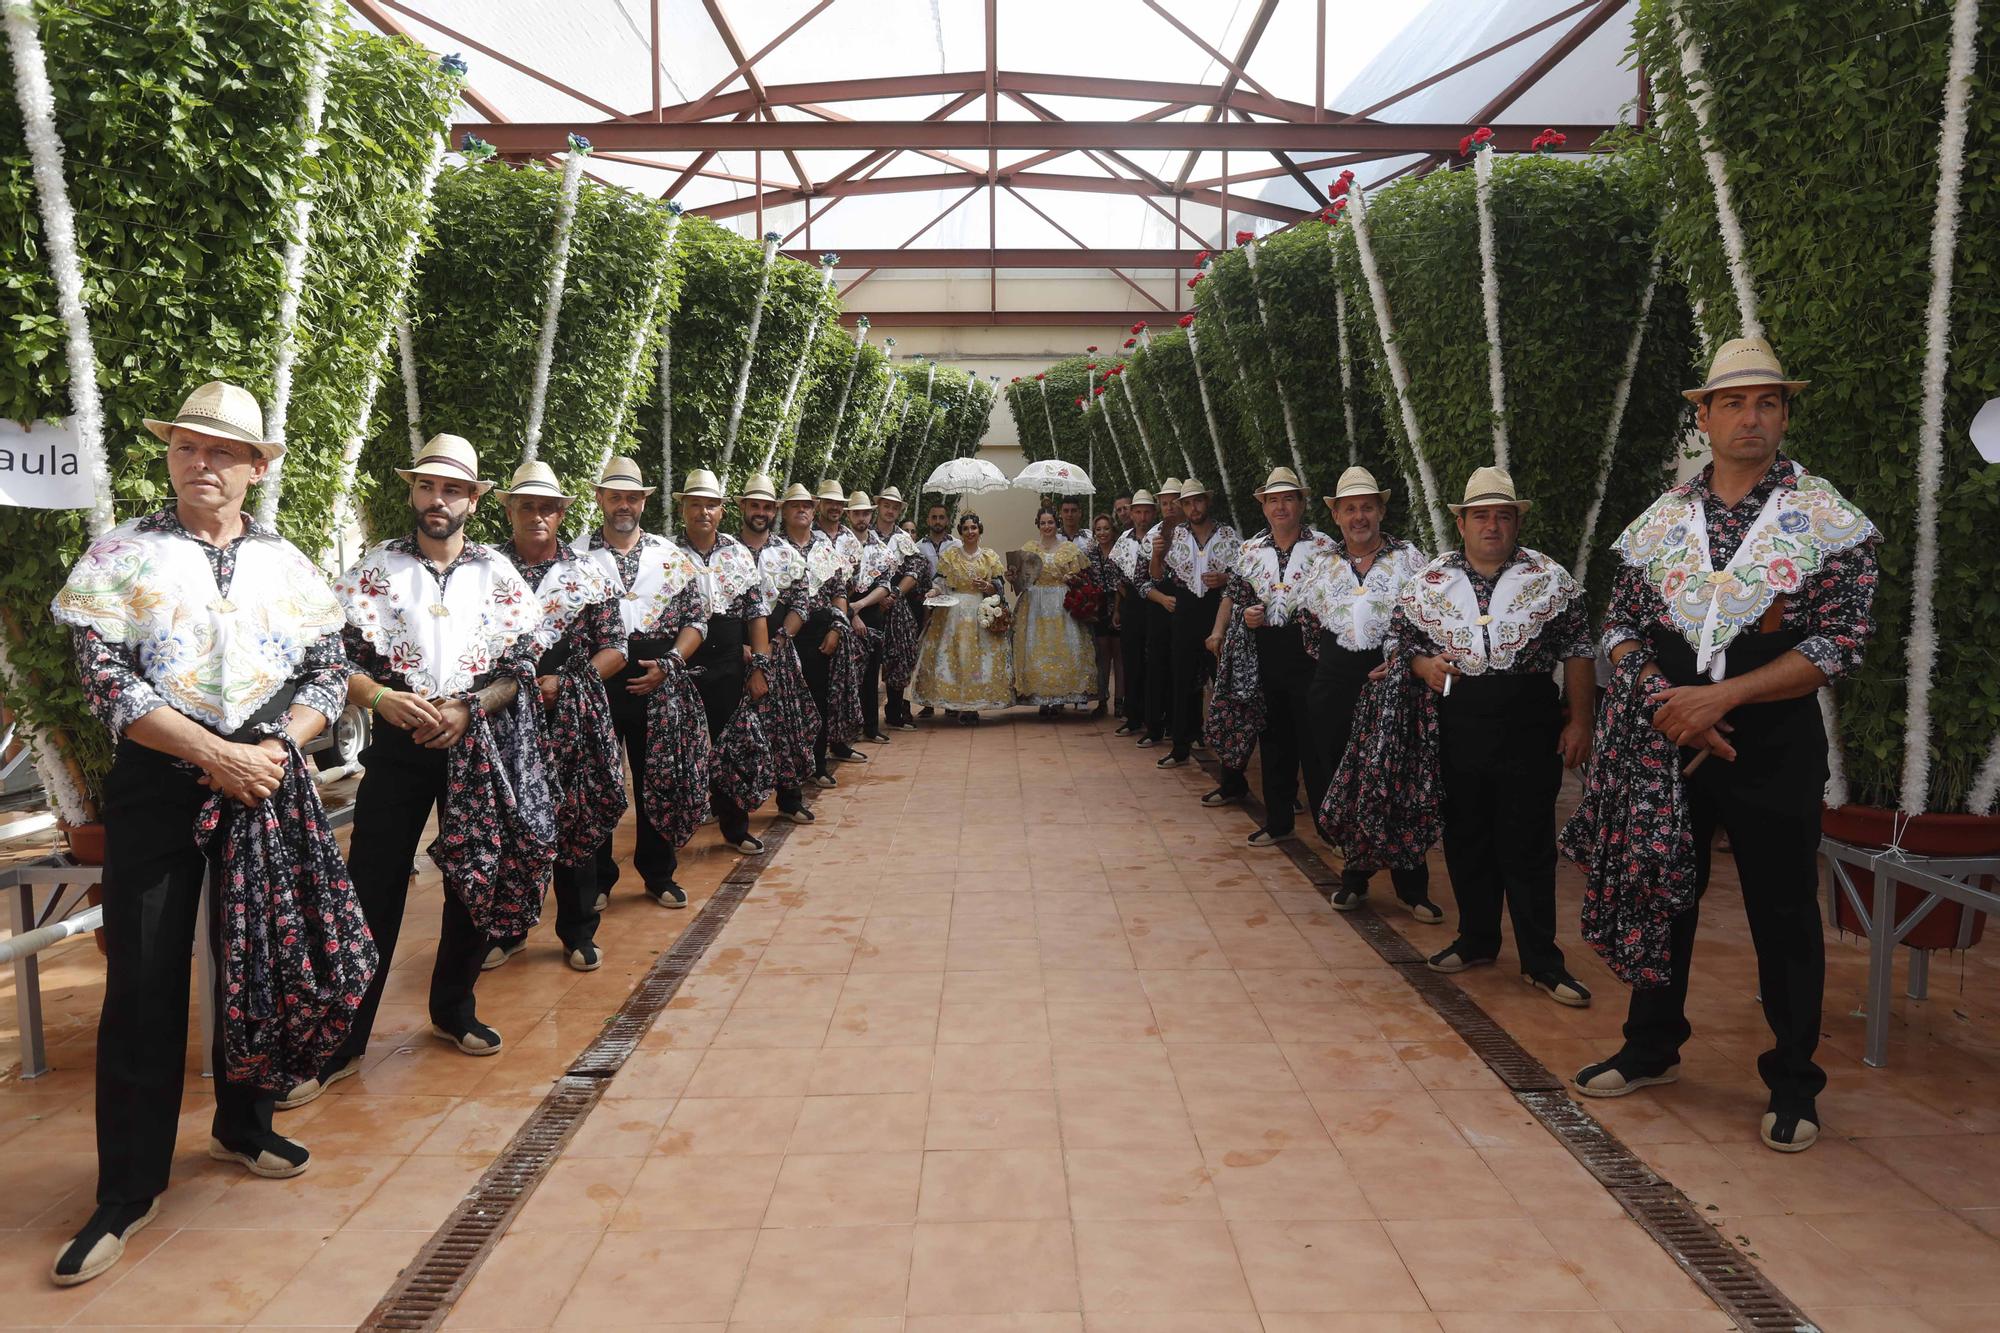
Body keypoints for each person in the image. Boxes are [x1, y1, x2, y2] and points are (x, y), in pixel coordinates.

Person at [47, 382, 367, 1286]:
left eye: (223, 451)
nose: (203, 463)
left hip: (263, 777)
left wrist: (274, 748)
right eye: (189, 447)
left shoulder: (291, 565)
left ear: (259, 467)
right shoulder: (120, 555)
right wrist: (209, 755)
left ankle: (244, 1122)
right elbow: (104, 680)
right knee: (143, 977)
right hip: (159, 783)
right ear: (170, 455)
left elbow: (328, 667)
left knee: (258, 962)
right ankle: (127, 1186)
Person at [1572, 338, 1878, 1154]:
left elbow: (1843, 639)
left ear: (1783, 414)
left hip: (1771, 733)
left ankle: (1792, 1083)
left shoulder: (1826, 517)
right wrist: (1670, 704)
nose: (1753, 417)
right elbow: (1620, 627)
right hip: (1666, 727)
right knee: (1661, 890)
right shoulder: (1663, 518)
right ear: (1702, 416)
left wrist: (1726, 695)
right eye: (1734, 402)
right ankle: (1651, 1046)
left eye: (1768, 402)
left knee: (1782, 909)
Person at [332, 433, 556, 1069]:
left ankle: (454, 1007)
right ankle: (348, 1040)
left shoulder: (496, 572)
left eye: (452, 489)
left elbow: (520, 662)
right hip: (399, 741)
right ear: (412, 491)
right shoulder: (374, 570)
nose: (438, 499)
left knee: (473, 875)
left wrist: (469, 708)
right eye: (428, 486)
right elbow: (330, 657)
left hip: (475, 744)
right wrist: (380, 700)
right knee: (374, 881)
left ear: (474, 500)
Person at [1391, 466, 1595, 1007]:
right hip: (1458, 720)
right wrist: (1422, 665)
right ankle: (1477, 939)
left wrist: (1580, 721)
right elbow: (1402, 639)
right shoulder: (1428, 582)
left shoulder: (1549, 578)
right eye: (1481, 515)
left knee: (1528, 843)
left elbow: (1578, 649)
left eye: (1503, 516)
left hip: (1529, 718)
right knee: (1466, 836)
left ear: (1516, 522)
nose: (1492, 526)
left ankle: (1541, 959)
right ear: (1460, 522)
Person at [490, 461, 628, 972]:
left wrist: (567, 682)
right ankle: (507, 930)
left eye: (548, 507)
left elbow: (616, 648)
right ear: (509, 510)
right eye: (527, 505)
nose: (538, 516)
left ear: (563, 512)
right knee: (509, 822)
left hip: (571, 716)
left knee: (575, 822)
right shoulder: (485, 569)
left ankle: (577, 931)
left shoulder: (589, 573)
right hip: (503, 718)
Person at [1301, 466, 1440, 921]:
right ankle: (1354, 877)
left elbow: (1430, 623)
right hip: (1335, 681)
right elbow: (1309, 625)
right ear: (1336, 516)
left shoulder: (1411, 560)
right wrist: (1331, 666)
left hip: (1393, 684)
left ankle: (1411, 887)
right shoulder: (1322, 563)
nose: (1358, 516)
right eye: (1349, 509)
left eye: (1366, 507)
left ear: (1380, 510)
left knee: (1398, 781)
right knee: (1345, 778)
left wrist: (1403, 662)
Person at [574, 455, 705, 908]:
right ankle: (599, 880)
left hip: (657, 674)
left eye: (632, 497)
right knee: (597, 780)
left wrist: (670, 662)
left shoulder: (670, 557)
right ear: (600, 499)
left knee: (659, 778)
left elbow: (696, 619)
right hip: (596, 678)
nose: (623, 504)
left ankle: (658, 872)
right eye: (615, 497)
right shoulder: (575, 556)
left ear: (644, 502)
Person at [1206, 468, 1336, 844]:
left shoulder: (1325, 548)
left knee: (1316, 745)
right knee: (1274, 739)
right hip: (1266, 652)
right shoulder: (1250, 550)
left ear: (1301, 503)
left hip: (1311, 653)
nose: (1281, 507)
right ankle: (1278, 821)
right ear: (1264, 507)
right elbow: (1237, 594)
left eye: (1289, 498)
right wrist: (1243, 618)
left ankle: (1330, 831)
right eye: (1273, 500)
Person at [676, 468, 770, 858]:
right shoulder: (665, 553)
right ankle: (675, 834)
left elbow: (757, 611)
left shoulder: (738, 553)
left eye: (711, 504)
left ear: (722, 510)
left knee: (732, 748)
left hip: (730, 661)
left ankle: (736, 827)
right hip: (681, 662)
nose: (703, 511)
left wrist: (761, 666)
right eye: (695, 503)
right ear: (683, 508)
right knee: (680, 749)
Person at [740, 475, 819, 824]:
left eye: (766, 506)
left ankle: (790, 799)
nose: (760, 512)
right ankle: (733, 810)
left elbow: (801, 604)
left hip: (780, 651)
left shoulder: (787, 554)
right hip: (734, 651)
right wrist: (739, 647)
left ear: (775, 511)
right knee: (736, 733)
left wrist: (776, 643)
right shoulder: (727, 550)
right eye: (754, 505)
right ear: (742, 507)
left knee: (787, 727)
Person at [1153, 477, 1239, 771]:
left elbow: (1243, 574)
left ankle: (1230, 753)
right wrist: (1156, 552)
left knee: (1223, 680)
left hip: (1218, 610)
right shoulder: (1172, 534)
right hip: (1186, 609)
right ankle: (1180, 745)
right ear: (1182, 507)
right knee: (1181, 677)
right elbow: (1155, 573)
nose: (1193, 507)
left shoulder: (1227, 534)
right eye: (1187, 503)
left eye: (1198, 501)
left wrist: (1224, 579)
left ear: (1207, 502)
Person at [776, 483, 852, 785]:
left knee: (818, 700)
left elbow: (838, 591)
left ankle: (818, 764)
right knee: (785, 705)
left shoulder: (824, 548)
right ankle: (787, 772)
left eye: (807, 505)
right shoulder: (775, 548)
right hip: (783, 631)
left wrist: (836, 628)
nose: (802, 511)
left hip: (819, 632)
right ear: (784, 511)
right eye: (796, 506)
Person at [913, 511, 1013, 722]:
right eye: (966, 528)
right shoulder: (951, 556)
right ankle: (955, 702)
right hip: (953, 614)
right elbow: (940, 582)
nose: (970, 532)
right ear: (960, 531)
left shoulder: (989, 557)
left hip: (980, 612)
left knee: (977, 658)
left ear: (980, 530)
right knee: (955, 655)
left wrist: (987, 586)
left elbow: (999, 586)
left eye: (973, 528)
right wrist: (933, 592)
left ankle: (972, 705)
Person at [1013, 506, 1097, 715]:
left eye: (1050, 522)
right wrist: (1012, 577)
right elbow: (1021, 580)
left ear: (1056, 523)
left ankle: (1061, 697)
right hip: (1035, 604)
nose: (1047, 526)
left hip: (1062, 603)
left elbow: (1084, 579)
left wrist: (1072, 579)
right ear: (1038, 525)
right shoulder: (1029, 548)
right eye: (1043, 523)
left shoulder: (1069, 549)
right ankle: (1041, 697)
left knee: (1065, 647)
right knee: (1037, 648)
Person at [814, 478, 870, 764]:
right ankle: (815, 752)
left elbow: (853, 584)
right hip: (810, 618)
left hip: (841, 616)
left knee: (843, 687)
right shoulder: (809, 536)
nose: (835, 507)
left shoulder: (850, 539)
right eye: (830, 502)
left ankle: (840, 743)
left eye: (839, 503)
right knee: (816, 688)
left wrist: (844, 612)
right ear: (819, 505)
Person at [867, 485, 927, 731]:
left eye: (895, 507)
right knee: (868, 661)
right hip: (868, 602)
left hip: (896, 602)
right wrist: (875, 597)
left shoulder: (903, 538)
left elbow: (916, 568)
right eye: (886, 505)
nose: (890, 510)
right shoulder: (865, 535)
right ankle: (865, 719)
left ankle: (894, 711)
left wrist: (895, 593)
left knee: (900, 656)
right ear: (878, 507)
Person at [1137, 479, 1183, 748]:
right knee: (1156, 668)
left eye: (1174, 502)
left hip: (1186, 608)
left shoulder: (1193, 532)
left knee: (1186, 672)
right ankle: (1153, 726)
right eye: (1164, 503)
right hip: (1158, 608)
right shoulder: (1153, 535)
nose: (1169, 507)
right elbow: (1140, 580)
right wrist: (1162, 598)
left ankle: (1186, 730)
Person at [1110, 491, 1159, 736]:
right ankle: (1133, 717)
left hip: (1155, 604)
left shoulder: (1160, 537)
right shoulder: (1124, 540)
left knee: (1154, 662)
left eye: (1146, 511)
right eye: (1137, 512)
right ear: (1131, 514)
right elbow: (1116, 574)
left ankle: (1155, 719)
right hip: (1131, 604)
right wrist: (1119, 607)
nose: (1142, 517)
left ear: (1154, 512)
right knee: (1131, 661)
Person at [915, 501, 954, 720]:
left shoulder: (956, 545)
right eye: (934, 517)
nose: (938, 521)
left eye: (942, 517)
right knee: (927, 652)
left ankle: (949, 700)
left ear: (947, 520)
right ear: (928, 520)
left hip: (952, 605)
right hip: (926, 604)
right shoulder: (919, 546)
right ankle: (928, 701)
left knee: (948, 652)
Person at [1087, 512, 1122, 717]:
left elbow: (1121, 584)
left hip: (1119, 604)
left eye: (1106, 528)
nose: (1102, 533)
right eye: (1098, 529)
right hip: (1098, 607)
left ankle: (1120, 701)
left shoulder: (1120, 550)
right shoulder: (1090, 554)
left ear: (1113, 530)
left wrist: (1118, 609)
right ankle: (1102, 700)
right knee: (1102, 656)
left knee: (1119, 655)